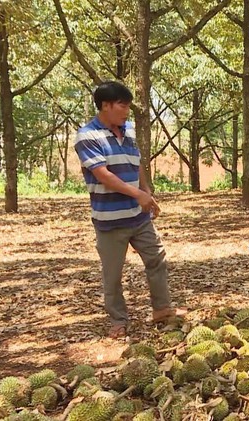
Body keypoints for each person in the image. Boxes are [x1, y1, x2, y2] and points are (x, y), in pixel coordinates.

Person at [75, 81, 185, 339]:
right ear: (105, 105)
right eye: (122, 105)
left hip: (138, 216)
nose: (126, 110)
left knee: (156, 257)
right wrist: (138, 194)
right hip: (110, 220)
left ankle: (162, 309)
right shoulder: (87, 136)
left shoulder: (130, 130)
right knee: (113, 273)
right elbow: (104, 176)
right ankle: (118, 320)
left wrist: (146, 192)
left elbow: (136, 164)